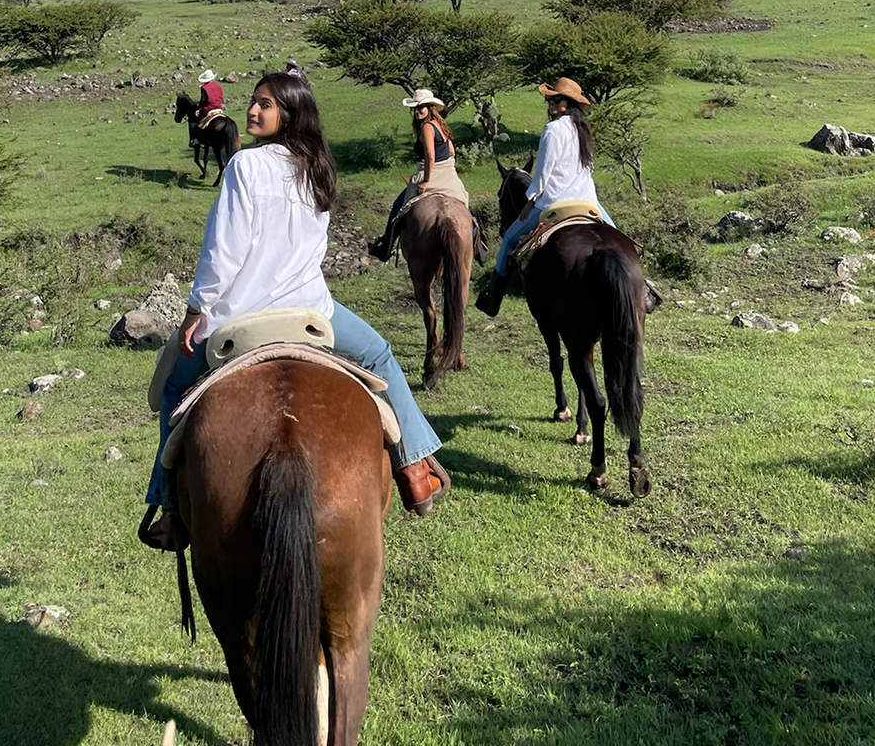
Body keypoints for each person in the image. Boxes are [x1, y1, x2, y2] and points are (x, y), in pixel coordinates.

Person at [143, 72, 449, 547]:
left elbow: (222, 251)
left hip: (238, 315)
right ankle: (414, 467)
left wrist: (195, 310)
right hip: (311, 309)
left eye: (265, 104)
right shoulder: (317, 167)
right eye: (253, 102)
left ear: (290, 113)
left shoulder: (245, 166)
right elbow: (315, 248)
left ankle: (169, 509)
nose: (252, 110)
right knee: (379, 355)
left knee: (173, 390)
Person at [476, 76, 612, 316]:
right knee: (614, 235)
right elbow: (588, 168)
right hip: (586, 199)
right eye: (549, 99)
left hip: (555, 201)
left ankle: (493, 298)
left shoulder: (552, 129)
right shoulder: (583, 130)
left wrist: (531, 200)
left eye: (555, 99)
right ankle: (643, 287)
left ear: (568, 103)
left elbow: (543, 172)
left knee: (508, 238)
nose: (550, 102)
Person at [368, 89, 473, 262]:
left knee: (397, 207)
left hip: (432, 174)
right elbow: (452, 150)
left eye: (421, 107)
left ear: (430, 108)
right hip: (449, 174)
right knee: (466, 210)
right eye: (415, 109)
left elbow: (430, 155)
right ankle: (478, 245)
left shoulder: (426, 126)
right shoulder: (441, 124)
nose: (418, 111)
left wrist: (425, 180)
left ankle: (385, 249)